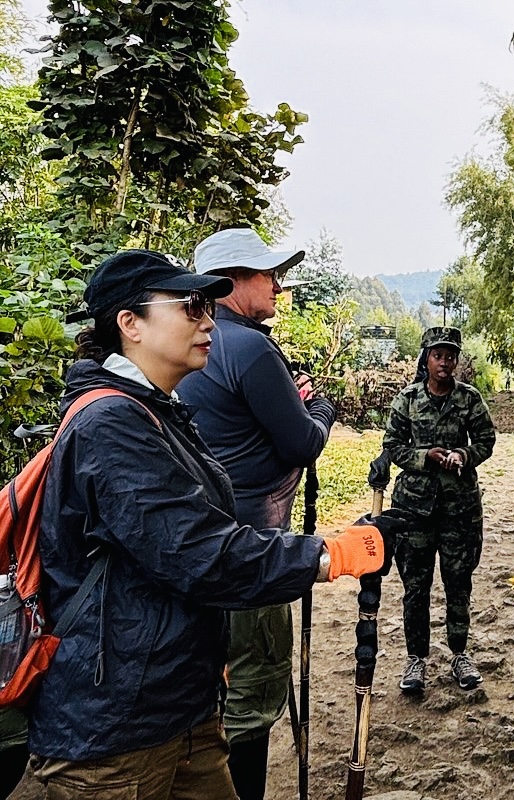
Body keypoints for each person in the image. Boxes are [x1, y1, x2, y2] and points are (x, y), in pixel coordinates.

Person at [30, 250, 396, 800]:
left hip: (180, 709)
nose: (208, 319)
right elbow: (198, 550)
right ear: (130, 323)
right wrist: (331, 555)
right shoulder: (111, 424)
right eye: (191, 306)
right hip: (116, 732)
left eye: (209, 304)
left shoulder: (159, 410)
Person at [176, 228, 337, 800]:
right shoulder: (250, 346)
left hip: (203, 536)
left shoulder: (194, 346)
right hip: (254, 541)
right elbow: (298, 443)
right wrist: (318, 408)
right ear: (233, 283)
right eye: (268, 274)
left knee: (210, 684)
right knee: (254, 689)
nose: (278, 284)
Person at [383, 326, 496, 694]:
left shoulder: (469, 399)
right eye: (438, 355)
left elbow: (486, 439)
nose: (445, 362)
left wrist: (463, 454)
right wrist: (424, 457)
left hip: (459, 508)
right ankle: (416, 658)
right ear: (426, 359)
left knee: (458, 583)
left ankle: (460, 655)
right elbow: (392, 446)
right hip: (413, 509)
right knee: (415, 587)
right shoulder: (408, 400)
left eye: (451, 356)